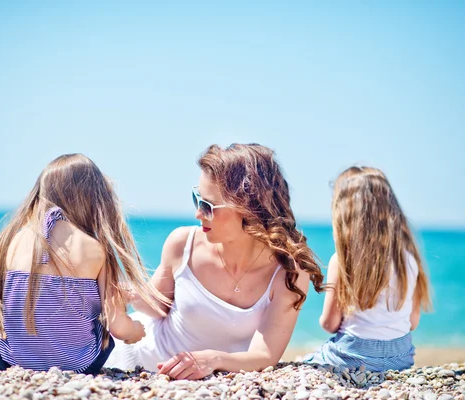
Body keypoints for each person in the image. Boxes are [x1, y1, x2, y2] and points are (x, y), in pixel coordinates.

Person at [106, 143, 324, 379]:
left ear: (249, 209)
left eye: (207, 206)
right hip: (134, 365)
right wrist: (128, 292)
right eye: (196, 198)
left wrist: (214, 360)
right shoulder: (183, 243)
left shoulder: (289, 272)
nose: (198, 214)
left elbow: (265, 355)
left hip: (204, 382)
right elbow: (156, 308)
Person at [0, 153, 166, 374]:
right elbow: (116, 324)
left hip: (11, 359)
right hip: (79, 364)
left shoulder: (8, 240)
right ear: (94, 199)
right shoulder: (95, 248)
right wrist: (135, 330)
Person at [306, 166, 432, 372]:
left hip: (352, 357)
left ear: (344, 215)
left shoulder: (342, 260)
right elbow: (412, 322)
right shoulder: (409, 260)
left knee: (307, 362)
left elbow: (329, 324)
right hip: (400, 358)